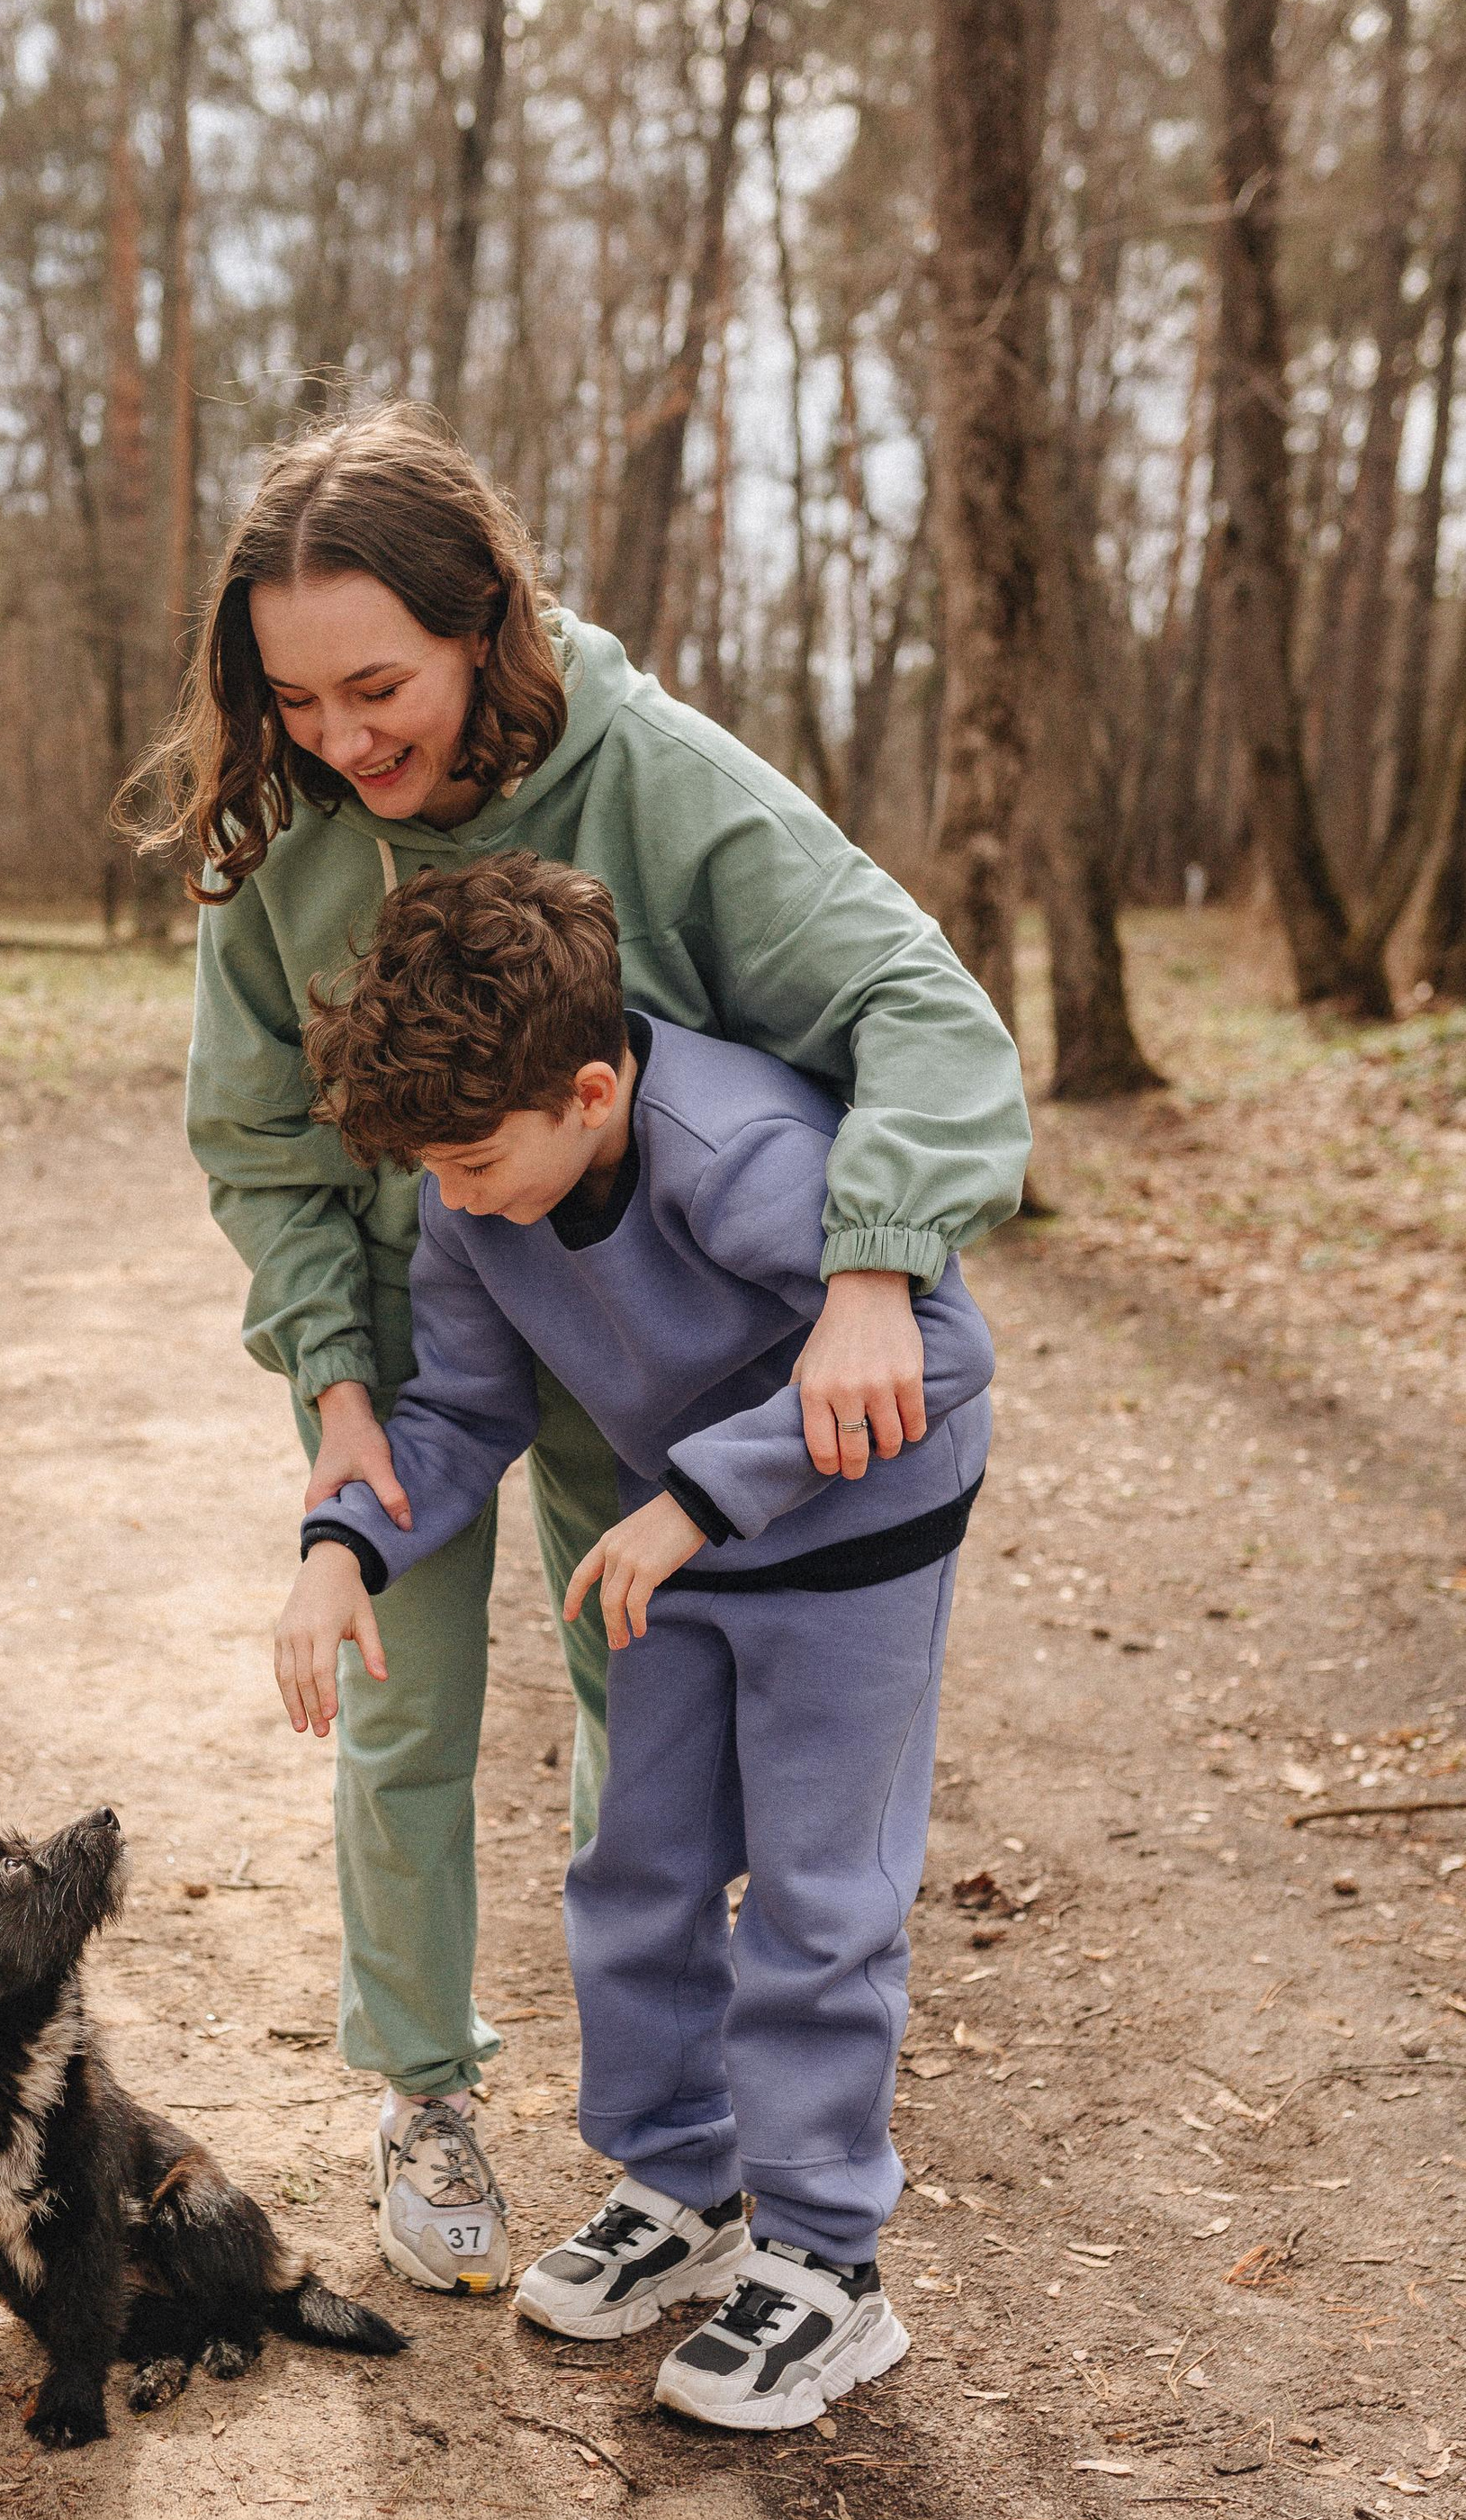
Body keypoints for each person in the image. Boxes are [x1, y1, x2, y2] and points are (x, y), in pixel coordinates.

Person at [139, 403, 1027, 2301]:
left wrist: (872, 1263)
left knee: (650, 1759)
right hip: (425, 1328)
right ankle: (424, 2084)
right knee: (398, 1701)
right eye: (291, 701)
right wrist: (333, 1390)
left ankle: (719, 2174)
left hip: (665, 1335)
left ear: (488, 625)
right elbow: (259, 1143)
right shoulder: (284, 847)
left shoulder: (660, 779)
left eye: (378, 684)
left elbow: (918, 1007)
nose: (343, 739)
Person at [274, 855, 994, 2428]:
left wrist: (698, 1501)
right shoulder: (477, 1202)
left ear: (591, 1091)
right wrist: (344, 1547)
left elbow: (939, 1344)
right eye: (436, 1174)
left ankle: (826, 2269)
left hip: (857, 1538)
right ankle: (687, 2185)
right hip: (685, 1537)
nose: (452, 1200)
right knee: (638, 1863)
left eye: (471, 1161)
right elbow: (462, 1412)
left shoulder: (735, 1150)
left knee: (818, 1895)